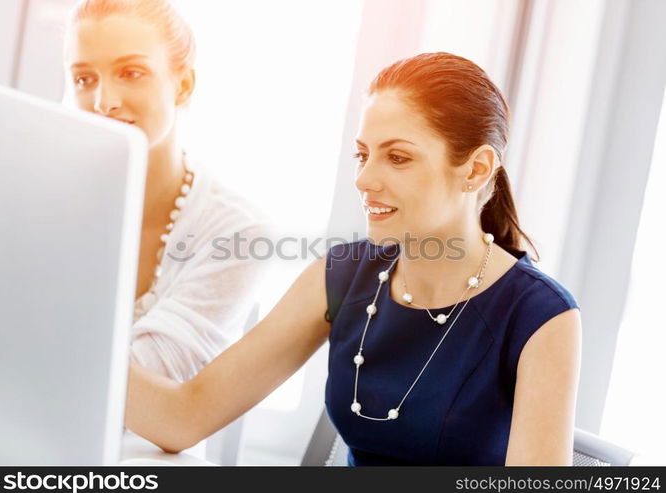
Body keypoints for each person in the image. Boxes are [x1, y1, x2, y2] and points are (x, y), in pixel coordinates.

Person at [124, 52, 582, 466]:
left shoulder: (540, 317)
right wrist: (61, 339)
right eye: (362, 155)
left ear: (477, 169)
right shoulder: (342, 274)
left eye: (397, 158)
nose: (364, 179)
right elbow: (185, 417)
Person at [63, 0, 273, 382]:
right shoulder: (45, 202)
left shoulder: (236, 232)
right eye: (84, 79)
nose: (103, 102)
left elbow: (154, 379)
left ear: (184, 85)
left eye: (131, 72)